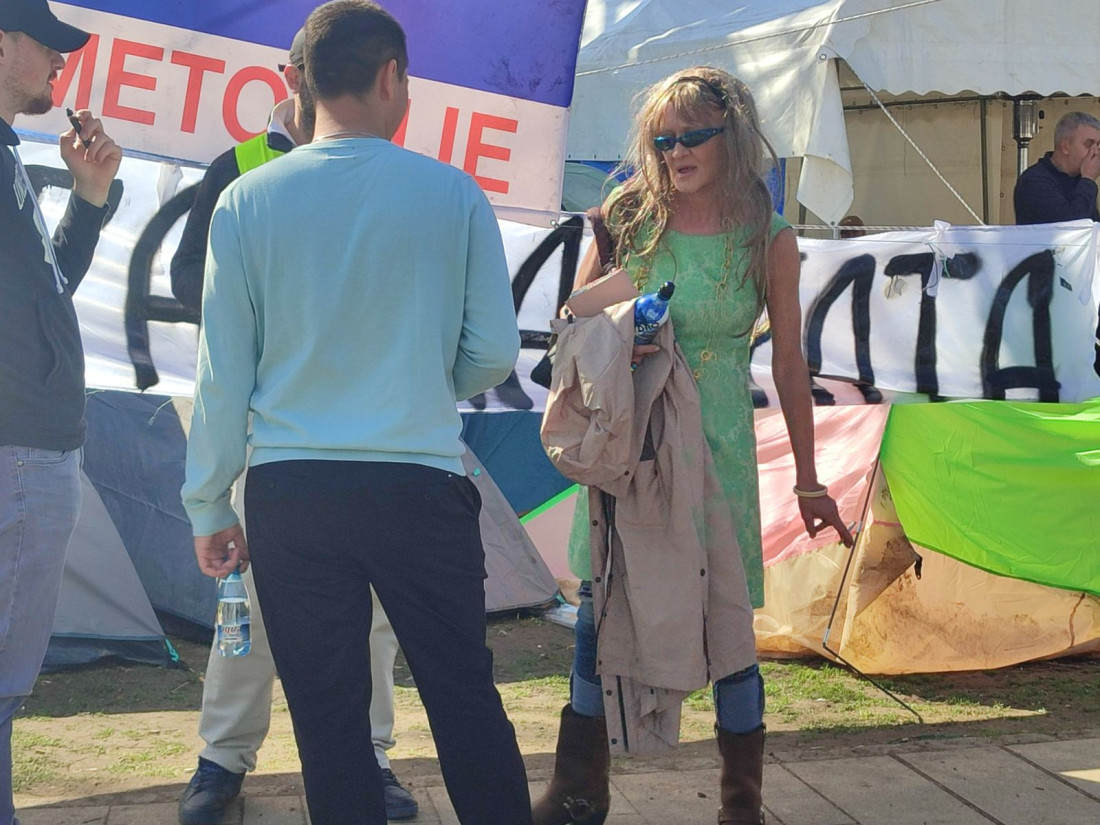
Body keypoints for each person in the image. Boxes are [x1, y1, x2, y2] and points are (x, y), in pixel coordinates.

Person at [180, 3, 531, 824]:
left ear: (301, 82)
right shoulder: (453, 192)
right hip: (418, 482)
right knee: (465, 701)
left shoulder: (247, 199)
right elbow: (494, 352)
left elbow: (222, 373)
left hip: (290, 493)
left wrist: (206, 502)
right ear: (390, 76)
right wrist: (416, 374)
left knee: (327, 725)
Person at [534, 67, 851, 825]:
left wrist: (810, 480)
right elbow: (573, 327)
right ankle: (579, 792)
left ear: (731, 136)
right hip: (633, 443)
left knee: (729, 624)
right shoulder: (626, 217)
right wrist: (619, 324)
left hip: (719, 450)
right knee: (599, 612)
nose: (675, 151)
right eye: (662, 138)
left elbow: (789, 361)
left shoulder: (766, 233)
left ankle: (742, 805)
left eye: (691, 136)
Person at [169, 28, 417, 825]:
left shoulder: (390, 172)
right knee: (245, 597)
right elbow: (186, 283)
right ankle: (222, 758)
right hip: (262, 428)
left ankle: (370, 758)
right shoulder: (239, 169)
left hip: (366, 431)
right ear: (292, 78)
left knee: (374, 610)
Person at [0, 3, 122, 824]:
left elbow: (44, 300)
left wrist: (89, 200)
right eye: (48, 44)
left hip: (30, 450)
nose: (62, 63)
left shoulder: (8, 155)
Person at [1014, 111, 1100, 225]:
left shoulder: (1079, 178)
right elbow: (1071, 225)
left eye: (1098, 145)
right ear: (1065, 147)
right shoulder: (1034, 180)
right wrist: (1088, 179)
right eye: (1089, 144)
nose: (1095, 152)